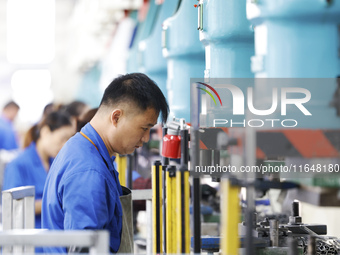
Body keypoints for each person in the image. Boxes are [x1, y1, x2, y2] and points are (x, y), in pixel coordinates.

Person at [42, 73, 168, 253]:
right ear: (116, 117)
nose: (146, 138)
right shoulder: (88, 171)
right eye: (144, 128)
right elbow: (85, 251)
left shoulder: (85, 149)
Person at [3, 111, 75, 229]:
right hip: (29, 240)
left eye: (68, 141)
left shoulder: (56, 164)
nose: (64, 145)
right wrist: (55, 202)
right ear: (45, 132)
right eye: (62, 139)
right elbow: (11, 206)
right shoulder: (18, 164)